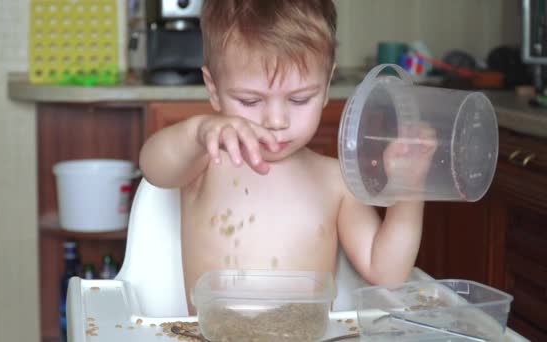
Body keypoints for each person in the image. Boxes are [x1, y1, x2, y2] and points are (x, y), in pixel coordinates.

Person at [139, 0, 436, 314]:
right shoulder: (206, 159)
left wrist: (408, 188)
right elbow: (154, 168)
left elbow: (387, 274)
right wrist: (199, 132)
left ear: (325, 88)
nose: (276, 120)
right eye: (250, 101)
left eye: (299, 98)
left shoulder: (337, 181)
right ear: (213, 88)